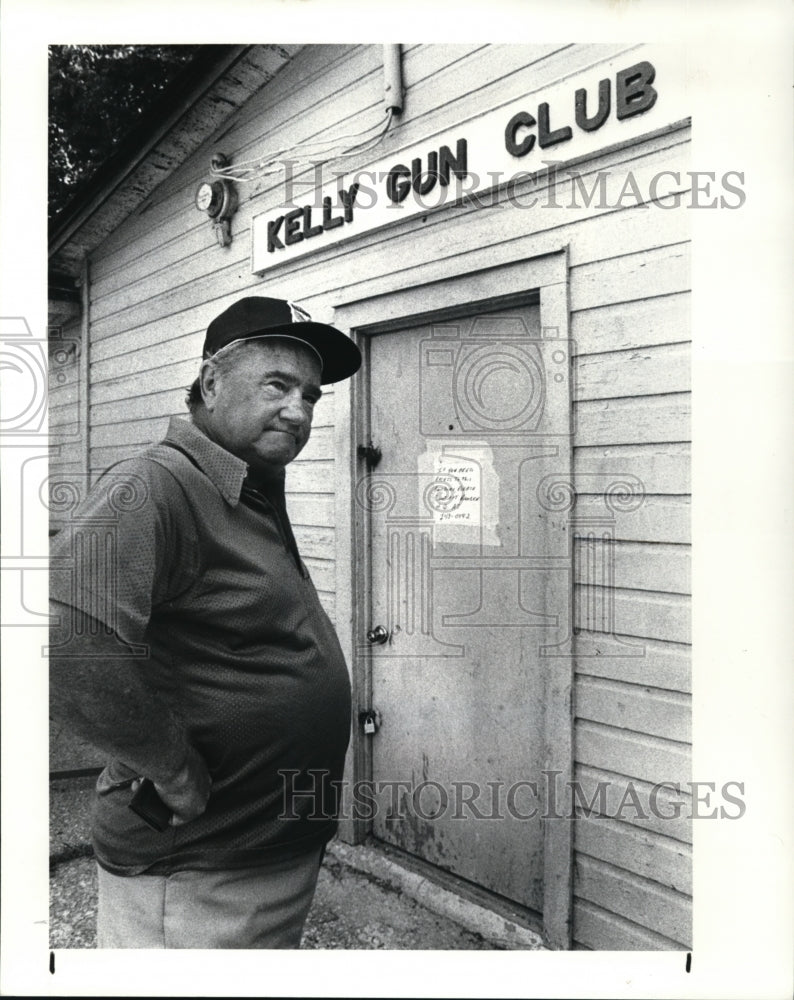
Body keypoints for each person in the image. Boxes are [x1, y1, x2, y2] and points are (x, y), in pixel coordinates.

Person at [49, 296, 361, 948]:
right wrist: (171, 765)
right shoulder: (157, 484)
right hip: (193, 872)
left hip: (260, 856)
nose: (300, 410)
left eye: (311, 395)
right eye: (277, 384)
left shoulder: (249, 486)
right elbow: (63, 644)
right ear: (212, 382)